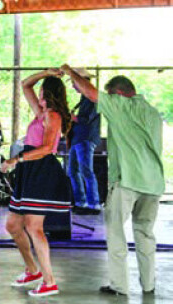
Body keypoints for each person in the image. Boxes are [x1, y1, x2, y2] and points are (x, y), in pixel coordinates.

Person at [61, 64, 164, 296]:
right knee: (145, 234)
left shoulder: (120, 105)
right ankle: (149, 285)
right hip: (154, 182)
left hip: (128, 180)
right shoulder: (153, 112)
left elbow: (89, 92)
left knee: (117, 234)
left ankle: (119, 286)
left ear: (117, 94)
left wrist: (69, 72)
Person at [1, 69, 72, 297]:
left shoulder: (53, 115)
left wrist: (16, 158)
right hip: (29, 170)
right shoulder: (39, 112)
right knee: (13, 225)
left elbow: (46, 148)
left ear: (48, 94)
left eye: (42, 91)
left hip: (41, 170)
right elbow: (25, 84)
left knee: (34, 227)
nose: (38, 94)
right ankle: (33, 271)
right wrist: (47, 72)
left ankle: (50, 281)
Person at [67, 68, 102, 214]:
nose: (73, 86)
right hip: (78, 139)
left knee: (86, 171)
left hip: (86, 139)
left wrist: (71, 117)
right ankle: (81, 202)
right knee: (73, 171)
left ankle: (94, 204)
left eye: (74, 82)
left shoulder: (92, 98)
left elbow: (86, 119)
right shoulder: (83, 99)